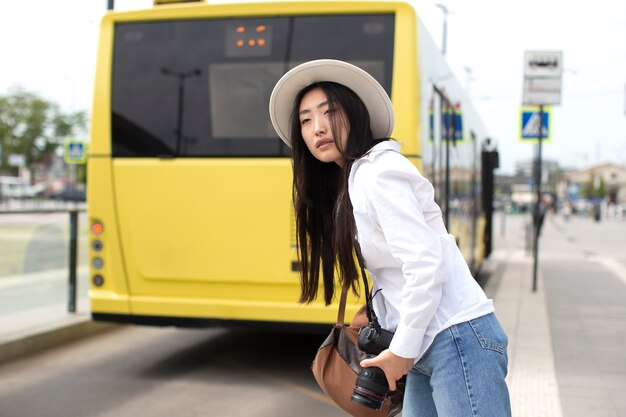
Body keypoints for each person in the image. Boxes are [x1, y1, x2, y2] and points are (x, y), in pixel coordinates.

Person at [269, 59, 511, 417]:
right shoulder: (355, 181)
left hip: (455, 339)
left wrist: (401, 352)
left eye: (329, 112)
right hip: (428, 345)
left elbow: (425, 263)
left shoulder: (378, 173)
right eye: (305, 120)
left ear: (354, 113)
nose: (317, 128)